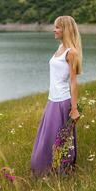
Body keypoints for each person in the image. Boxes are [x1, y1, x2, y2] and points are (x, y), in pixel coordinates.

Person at [30, 15, 83, 177]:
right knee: (47, 139)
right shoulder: (59, 48)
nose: (54, 29)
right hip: (52, 100)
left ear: (65, 29)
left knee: (59, 140)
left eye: (58, 27)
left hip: (62, 101)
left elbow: (73, 82)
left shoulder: (71, 52)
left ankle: (60, 172)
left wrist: (74, 109)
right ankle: (44, 171)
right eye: (54, 26)